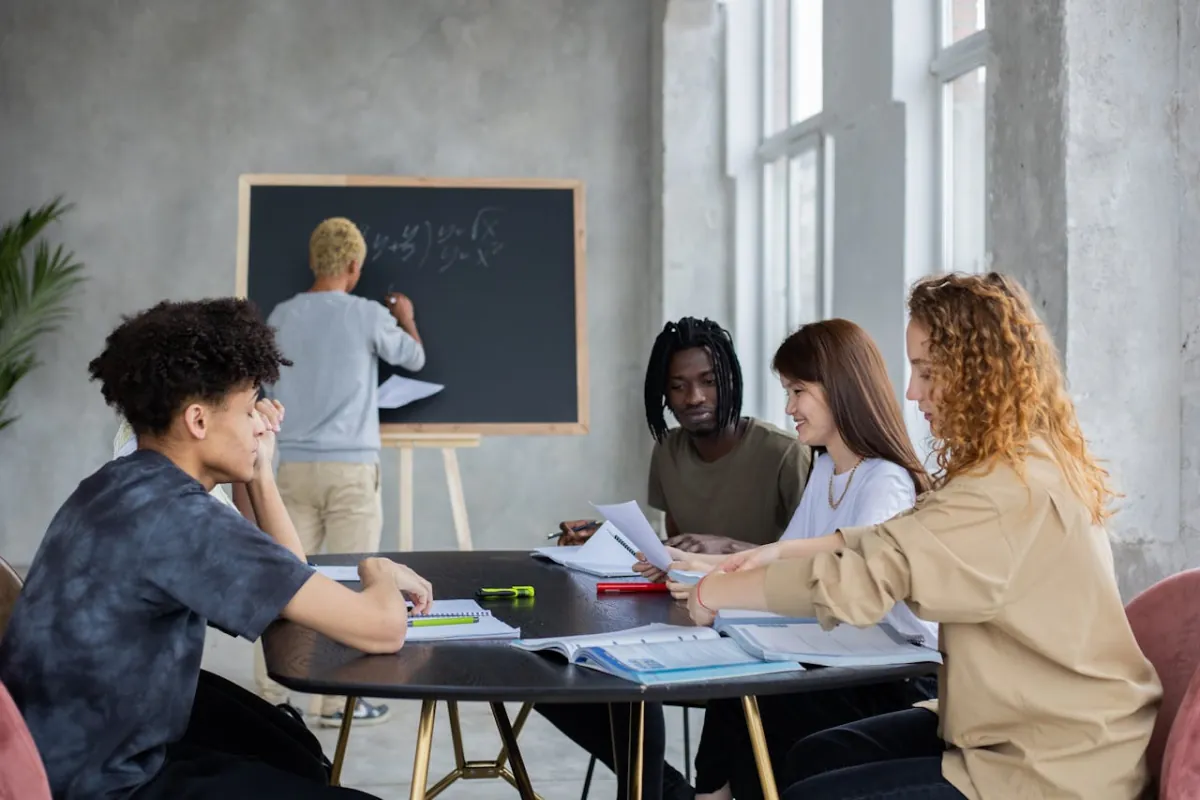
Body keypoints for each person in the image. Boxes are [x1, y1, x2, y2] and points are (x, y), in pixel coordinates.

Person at [678, 272, 1162, 800]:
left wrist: (713, 594)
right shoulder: (1013, 464)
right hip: (1005, 723)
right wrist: (780, 552)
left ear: (978, 375)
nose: (911, 391)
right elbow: (902, 536)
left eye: (927, 372)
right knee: (816, 754)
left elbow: (866, 578)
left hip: (1051, 761)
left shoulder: (1007, 490)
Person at [0, 297, 434, 800]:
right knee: (302, 763)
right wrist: (377, 568)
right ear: (199, 421)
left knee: (289, 747)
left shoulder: (119, 486)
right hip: (109, 785)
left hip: (67, 754)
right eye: (250, 407)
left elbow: (287, 579)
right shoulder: (179, 518)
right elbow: (379, 628)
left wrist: (260, 472)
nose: (260, 423)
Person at [541, 317, 814, 800]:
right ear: (662, 395)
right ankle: (665, 791)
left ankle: (662, 793)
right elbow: (672, 552)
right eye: (678, 386)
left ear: (731, 379)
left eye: (708, 381)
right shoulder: (668, 451)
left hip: (758, 637)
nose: (694, 398)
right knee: (554, 675)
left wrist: (727, 549)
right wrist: (609, 538)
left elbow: (808, 562)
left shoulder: (784, 453)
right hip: (686, 622)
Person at [664, 319, 937, 800]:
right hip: (839, 657)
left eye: (798, 391)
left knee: (752, 693)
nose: (789, 407)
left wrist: (714, 583)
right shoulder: (827, 467)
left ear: (841, 389)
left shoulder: (886, 481)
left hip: (890, 675)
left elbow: (846, 588)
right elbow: (780, 565)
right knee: (739, 679)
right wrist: (683, 564)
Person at [257, 216, 426, 727]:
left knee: (283, 583)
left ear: (313, 261)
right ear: (354, 266)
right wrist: (408, 317)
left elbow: (264, 383)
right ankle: (335, 703)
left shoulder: (281, 315)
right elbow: (413, 359)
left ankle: (273, 701)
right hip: (352, 470)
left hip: (290, 471)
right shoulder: (368, 315)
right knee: (354, 583)